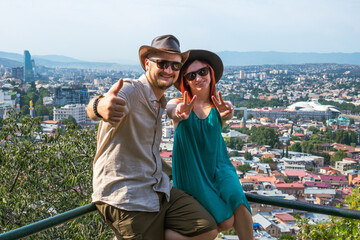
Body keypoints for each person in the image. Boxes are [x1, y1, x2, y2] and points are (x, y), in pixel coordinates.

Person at [87, 36, 218, 240]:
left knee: (207, 228)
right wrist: (99, 107)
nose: (169, 70)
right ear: (147, 63)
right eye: (162, 63)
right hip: (125, 196)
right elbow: (98, 106)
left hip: (157, 187)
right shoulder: (131, 89)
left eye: (175, 65)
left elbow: (147, 152)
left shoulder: (159, 102)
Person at [166, 49, 254, 240]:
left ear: (211, 73)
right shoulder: (179, 103)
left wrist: (229, 113)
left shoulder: (219, 105)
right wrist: (178, 111)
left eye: (203, 72)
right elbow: (171, 110)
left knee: (237, 197)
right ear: (185, 81)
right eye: (191, 75)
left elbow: (228, 112)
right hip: (193, 172)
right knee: (225, 222)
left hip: (219, 167)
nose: (198, 78)